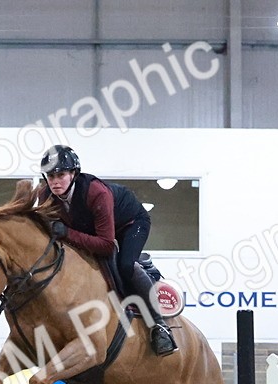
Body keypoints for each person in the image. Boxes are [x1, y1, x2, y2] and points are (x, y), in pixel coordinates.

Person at [35, 145, 178, 356]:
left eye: (61, 174)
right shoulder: (45, 195)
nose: (54, 181)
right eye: (50, 175)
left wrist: (66, 232)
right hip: (93, 228)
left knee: (125, 264)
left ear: (73, 173)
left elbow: (106, 245)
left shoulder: (96, 191)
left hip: (130, 223)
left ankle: (160, 326)